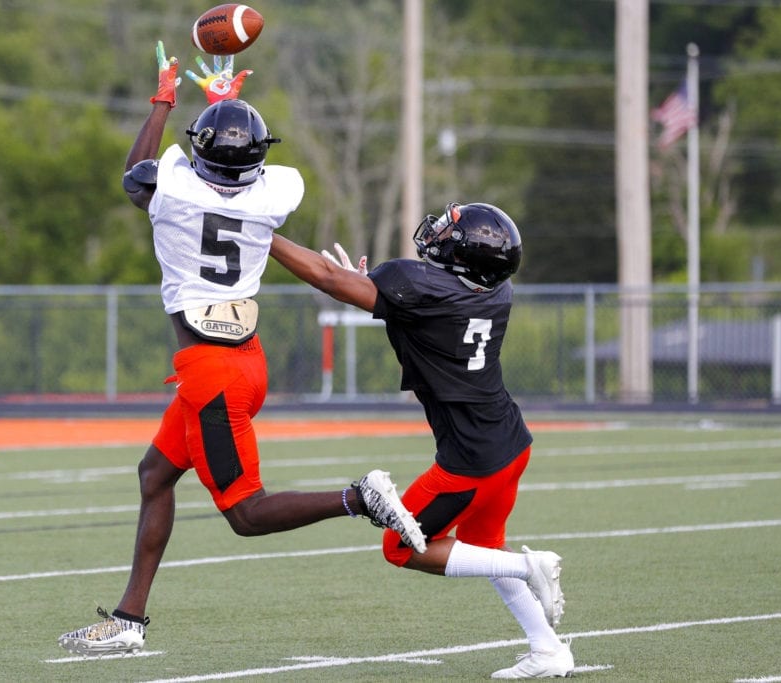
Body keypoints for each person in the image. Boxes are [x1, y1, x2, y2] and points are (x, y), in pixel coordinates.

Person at [56, 42, 426, 657]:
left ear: (199, 153)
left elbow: (137, 172)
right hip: (247, 361)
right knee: (155, 476)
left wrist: (165, 101)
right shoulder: (273, 194)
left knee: (246, 514)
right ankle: (128, 619)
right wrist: (229, 107)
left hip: (209, 372)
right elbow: (239, 170)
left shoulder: (171, 194)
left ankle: (359, 497)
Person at [269, 203, 574, 679]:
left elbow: (330, 279)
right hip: (509, 441)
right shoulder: (497, 290)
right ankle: (548, 649)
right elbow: (420, 305)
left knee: (401, 546)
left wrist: (262, 233)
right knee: (483, 546)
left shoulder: (419, 286)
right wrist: (368, 291)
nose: (439, 232)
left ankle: (525, 568)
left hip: (469, 460)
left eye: (451, 231)